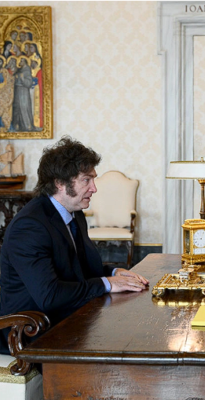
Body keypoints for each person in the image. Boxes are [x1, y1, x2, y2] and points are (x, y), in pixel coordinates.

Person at [0, 136, 149, 355]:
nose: (94, 188)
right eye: (86, 180)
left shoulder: (74, 212)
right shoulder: (30, 226)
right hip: (32, 333)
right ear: (60, 183)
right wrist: (107, 283)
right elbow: (50, 296)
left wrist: (114, 273)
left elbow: (79, 268)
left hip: (66, 318)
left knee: (132, 332)